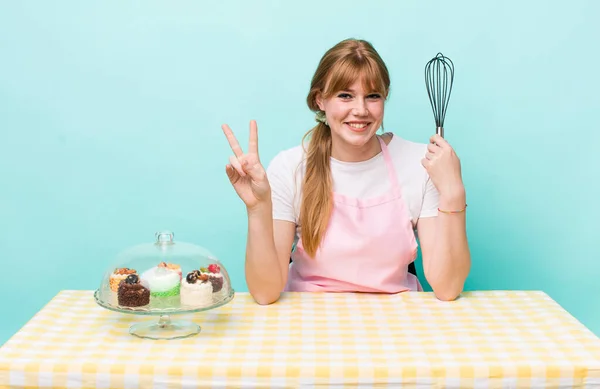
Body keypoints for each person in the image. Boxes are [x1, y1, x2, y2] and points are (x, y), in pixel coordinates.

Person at [221, 38, 470, 305]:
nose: (360, 110)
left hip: (399, 323)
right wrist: (258, 208)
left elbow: (447, 287)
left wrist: (453, 191)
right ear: (320, 100)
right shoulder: (290, 168)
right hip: (308, 321)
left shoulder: (421, 163)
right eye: (345, 95)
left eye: (373, 96)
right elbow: (265, 292)